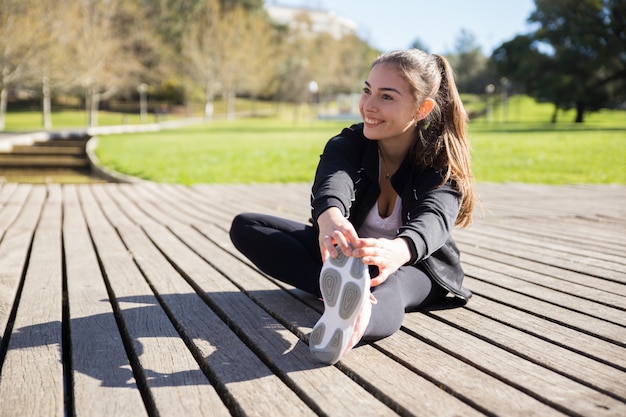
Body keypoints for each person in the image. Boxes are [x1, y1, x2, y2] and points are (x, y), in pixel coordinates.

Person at [229, 49, 475, 365]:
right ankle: (338, 290)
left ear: (421, 108)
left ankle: (354, 323)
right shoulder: (349, 143)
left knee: (392, 284)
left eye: (386, 97)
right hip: (353, 257)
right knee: (247, 226)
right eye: (367, 90)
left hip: (417, 266)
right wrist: (330, 219)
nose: (368, 106)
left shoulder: (439, 160)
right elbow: (334, 178)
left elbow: (435, 217)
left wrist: (398, 251)